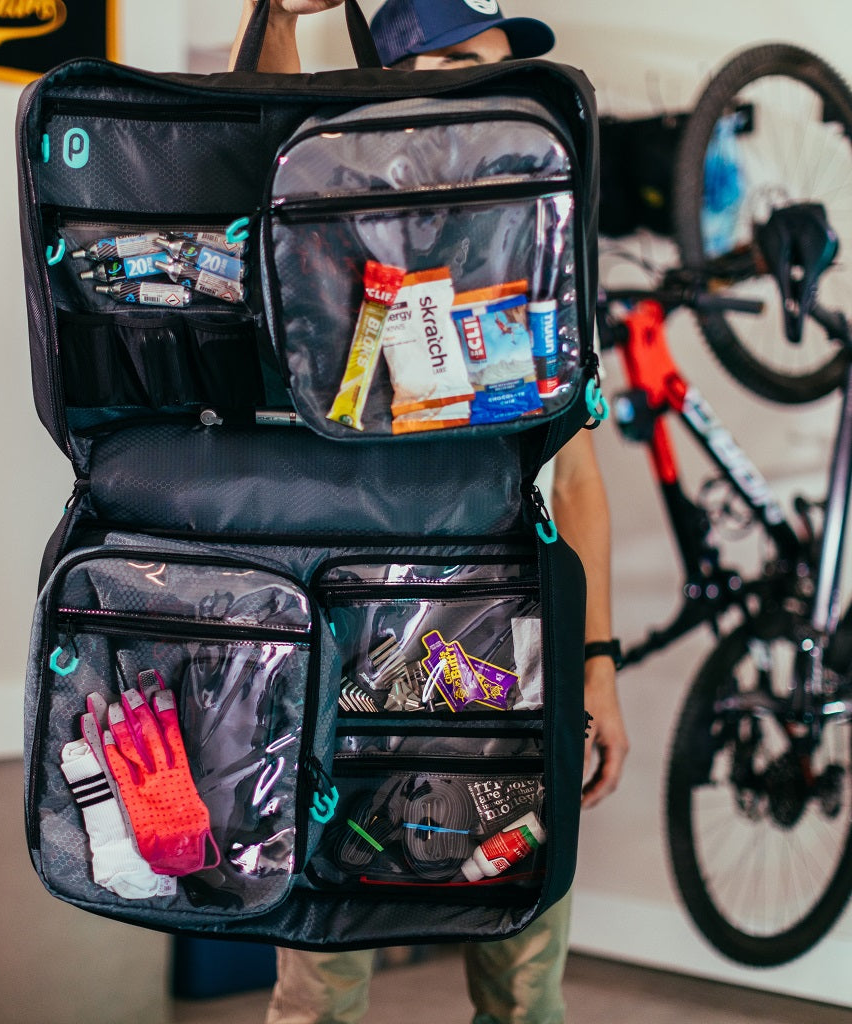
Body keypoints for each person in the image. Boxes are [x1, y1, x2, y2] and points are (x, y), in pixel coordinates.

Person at [229, 3, 629, 1021]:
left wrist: (600, 668)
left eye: (492, 70)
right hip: (353, 650)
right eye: (455, 64)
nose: (482, 90)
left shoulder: (540, 249)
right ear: (387, 86)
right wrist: (275, 9)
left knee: (524, 981)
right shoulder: (322, 239)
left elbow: (577, 481)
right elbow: (253, 136)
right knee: (318, 978)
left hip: (508, 656)